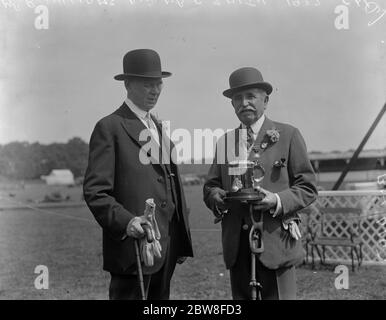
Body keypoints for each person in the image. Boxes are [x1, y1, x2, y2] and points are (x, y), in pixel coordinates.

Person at [83, 49, 193, 300]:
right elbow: (95, 192)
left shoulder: (158, 128)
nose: (155, 90)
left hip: (166, 247)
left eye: (158, 83)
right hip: (133, 248)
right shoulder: (109, 127)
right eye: (147, 84)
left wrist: (181, 236)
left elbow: (172, 186)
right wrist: (128, 222)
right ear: (128, 84)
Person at [203, 67, 318, 300]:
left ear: (265, 100)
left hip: (276, 244)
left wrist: (276, 200)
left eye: (251, 97)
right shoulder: (225, 142)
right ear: (232, 105)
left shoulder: (288, 135)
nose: (244, 103)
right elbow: (211, 186)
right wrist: (217, 197)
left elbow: (308, 188)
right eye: (238, 98)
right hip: (237, 247)